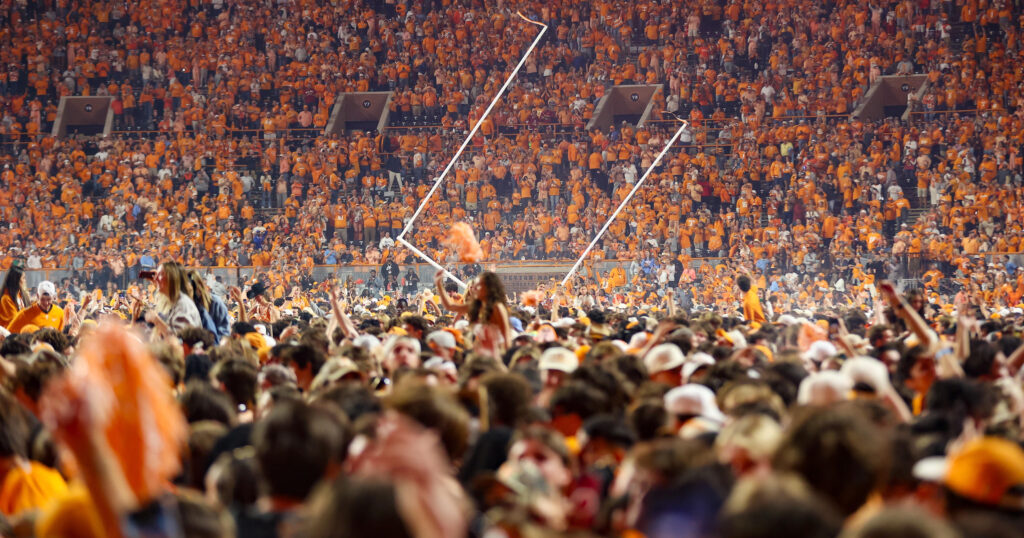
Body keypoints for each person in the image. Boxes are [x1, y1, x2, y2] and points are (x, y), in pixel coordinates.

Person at [434, 270, 512, 360]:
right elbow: (450, 306)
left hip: (494, 355)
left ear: (488, 288)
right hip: (477, 354)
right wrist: (439, 284)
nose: (474, 287)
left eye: (478, 285)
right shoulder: (475, 305)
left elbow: (506, 336)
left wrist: (507, 359)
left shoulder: (497, 307)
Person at [146, 261, 201, 333]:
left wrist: (156, 320)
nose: (156, 279)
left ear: (171, 278)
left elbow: (179, 339)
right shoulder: (171, 301)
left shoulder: (183, 304)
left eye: (160, 275)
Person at [0, 262, 29, 329]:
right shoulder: (6, 299)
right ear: (16, 280)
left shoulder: (20, 295)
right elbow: (15, 320)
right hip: (9, 335)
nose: (25, 281)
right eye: (23, 278)